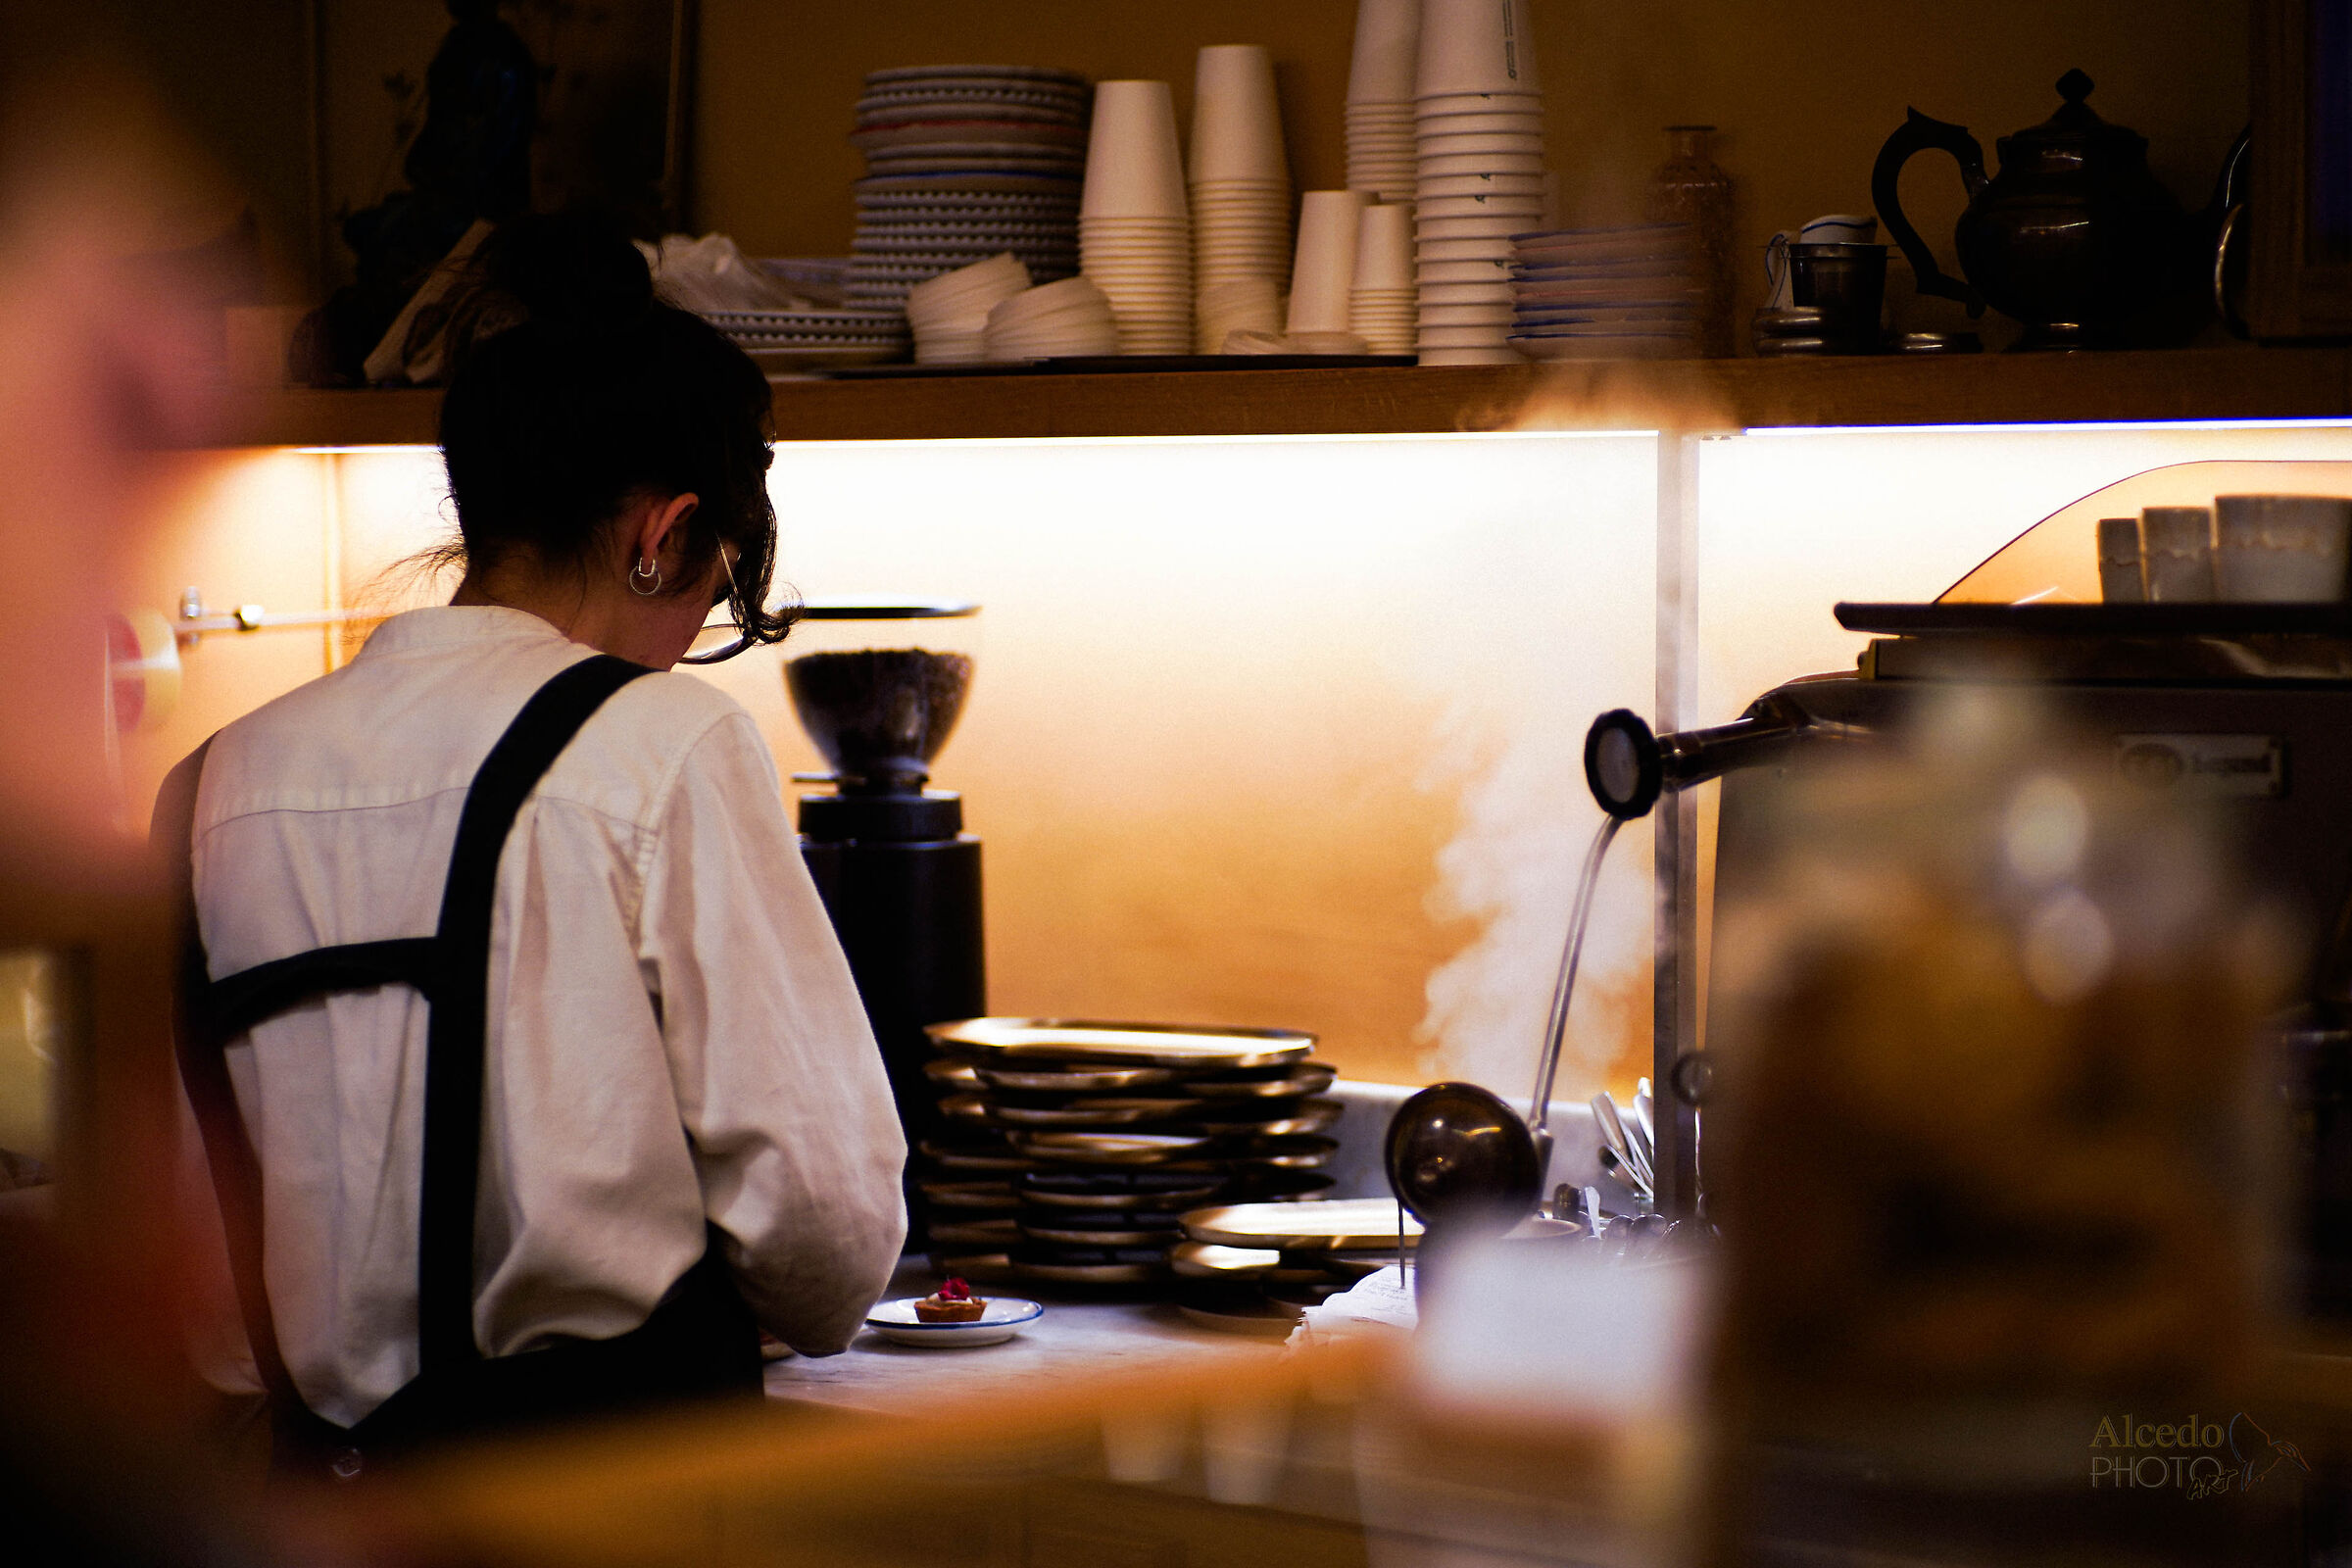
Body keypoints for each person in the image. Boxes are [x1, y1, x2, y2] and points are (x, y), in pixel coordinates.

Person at [160, 214, 906, 1479]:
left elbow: (189, 1275)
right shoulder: (662, 746)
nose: (693, 637)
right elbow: (825, 1235)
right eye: (716, 589)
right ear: (663, 533)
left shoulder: (213, 785)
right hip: (613, 1501)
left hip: (314, 1499)